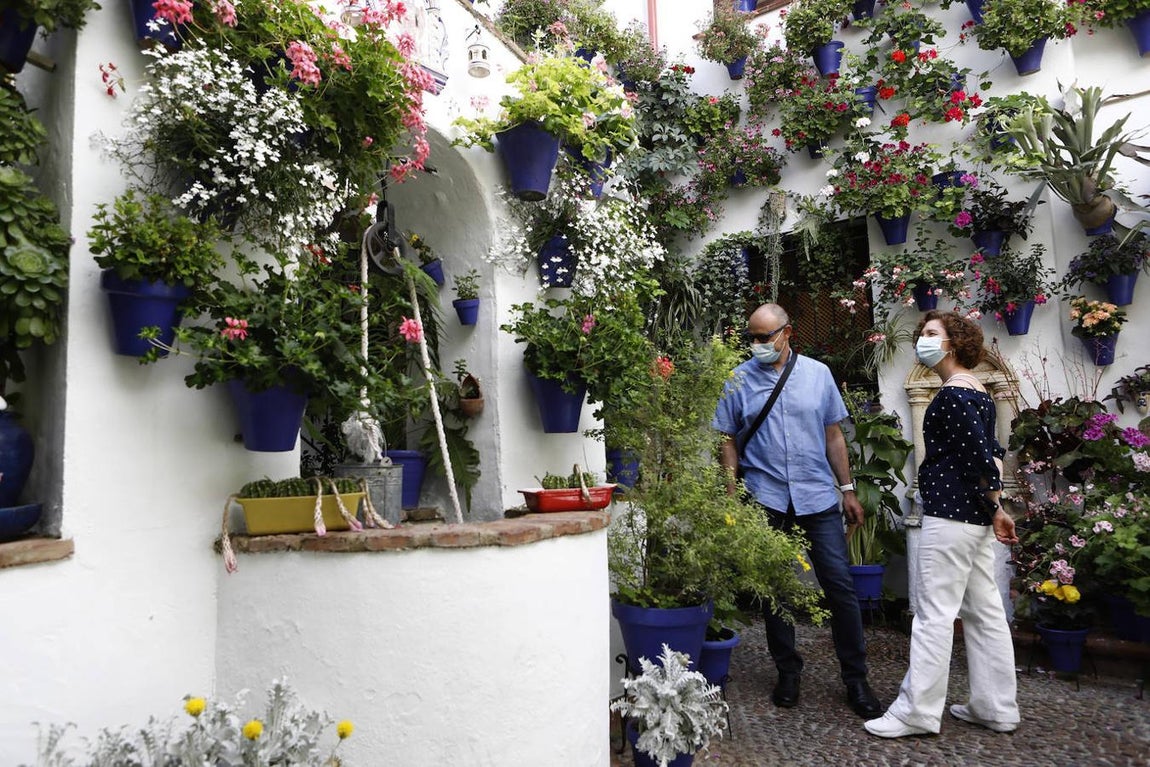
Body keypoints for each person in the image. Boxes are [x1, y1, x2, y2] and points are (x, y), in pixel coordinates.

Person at [713, 303, 882, 719]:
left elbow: (834, 436)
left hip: (817, 497)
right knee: (776, 591)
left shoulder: (818, 375)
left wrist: (847, 489)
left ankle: (855, 679)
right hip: (765, 495)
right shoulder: (737, 380)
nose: (757, 344)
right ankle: (787, 672)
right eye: (751, 337)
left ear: (787, 333)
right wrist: (732, 489)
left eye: (764, 336)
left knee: (839, 587)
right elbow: (727, 438)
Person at [864, 310, 1020, 738]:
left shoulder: (953, 394)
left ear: (954, 343)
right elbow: (990, 452)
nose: (922, 340)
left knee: (933, 616)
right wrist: (992, 510)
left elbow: (979, 458)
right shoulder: (980, 393)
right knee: (984, 612)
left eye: (932, 334)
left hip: (950, 516)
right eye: (922, 334)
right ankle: (996, 707)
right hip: (971, 521)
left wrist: (996, 508)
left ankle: (916, 711)